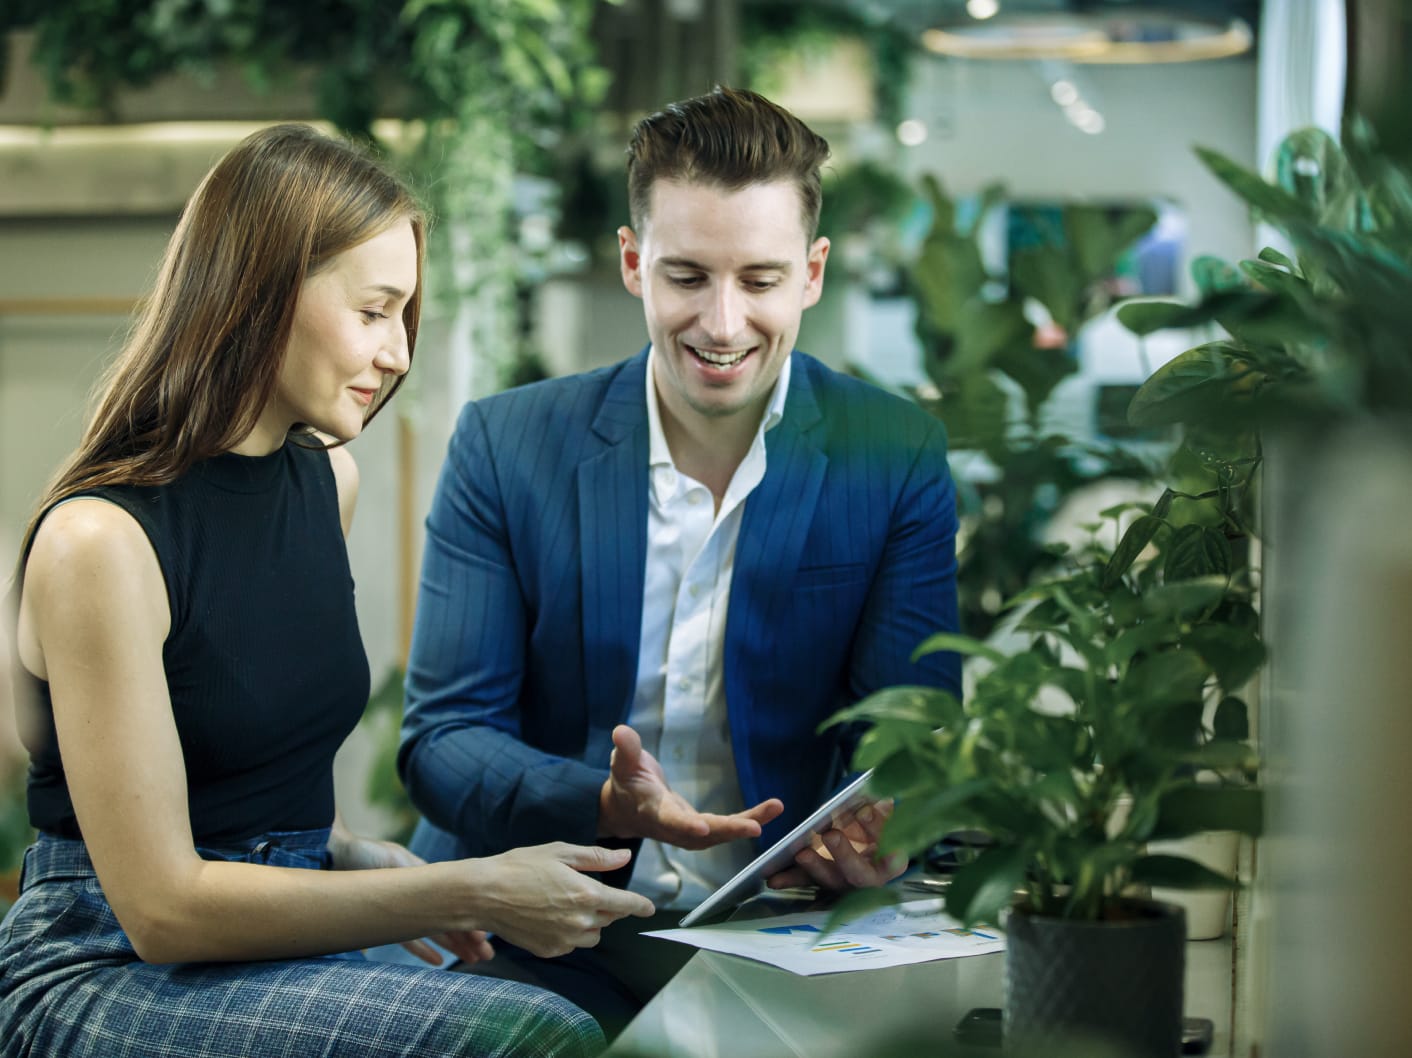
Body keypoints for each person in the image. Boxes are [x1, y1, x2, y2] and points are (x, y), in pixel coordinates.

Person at [0, 122, 655, 1058]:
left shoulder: (325, 484)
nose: (396, 352)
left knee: (597, 1004)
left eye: (405, 315)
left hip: (267, 925)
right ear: (261, 295)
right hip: (100, 965)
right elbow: (164, 910)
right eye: (374, 310)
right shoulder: (99, 541)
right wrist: (460, 885)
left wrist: (356, 855)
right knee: (527, 1033)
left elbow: (259, 771)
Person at [395, 86, 961, 1036]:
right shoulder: (508, 444)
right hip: (528, 930)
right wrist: (607, 804)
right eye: (688, 276)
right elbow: (444, 741)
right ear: (633, 262)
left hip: (778, 927)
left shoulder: (893, 452)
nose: (724, 324)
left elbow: (912, 733)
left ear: (813, 273)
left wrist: (881, 832)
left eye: (762, 280)